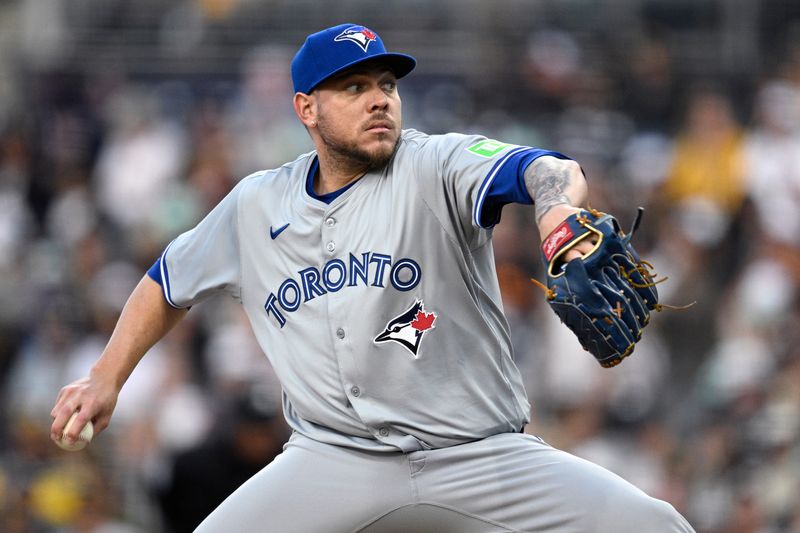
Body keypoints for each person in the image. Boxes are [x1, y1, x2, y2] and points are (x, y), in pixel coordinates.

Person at [51, 23, 695, 532]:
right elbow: (166, 282)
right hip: (332, 460)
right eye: (353, 87)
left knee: (653, 525)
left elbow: (546, 168)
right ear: (306, 108)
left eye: (385, 82)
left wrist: (557, 213)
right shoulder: (255, 205)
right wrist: (106, 377)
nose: (379, 98)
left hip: (478, 455)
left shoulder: (435, 163)